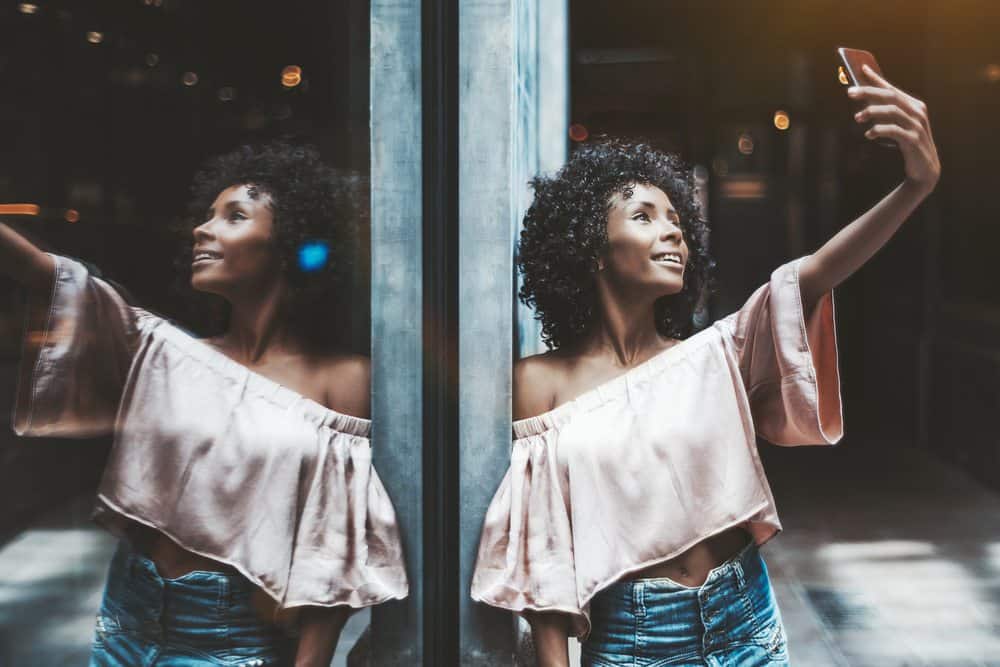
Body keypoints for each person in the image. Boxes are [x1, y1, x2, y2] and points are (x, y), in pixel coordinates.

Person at [472, 65, 940, 665]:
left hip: (747, 621)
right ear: (588, 246)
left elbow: (813, 274)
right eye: (644, 216)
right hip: (633, 640)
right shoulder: (538, 385)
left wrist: (916, 185)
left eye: (676, 219)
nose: (672, 233)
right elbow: (543, 560)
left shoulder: (714, 354)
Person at [3, 142, 408, 666]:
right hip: (126, 616)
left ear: (289, 244)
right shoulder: (168, 353)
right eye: (206, 214)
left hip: (232, 639)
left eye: (234, 216)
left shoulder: (342, 381)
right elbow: (47, 274)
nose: (202, 229)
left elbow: (332, 548)